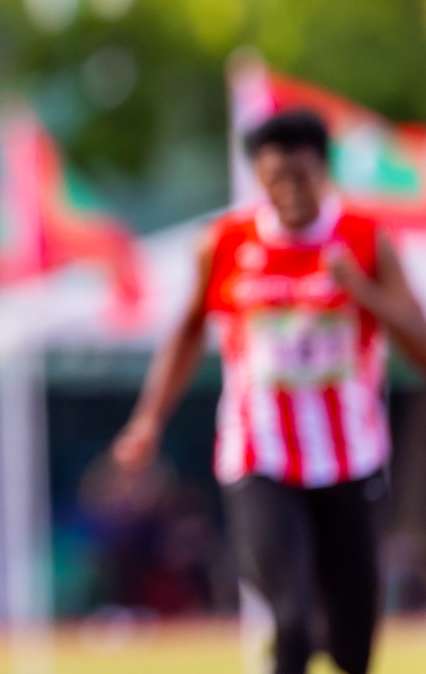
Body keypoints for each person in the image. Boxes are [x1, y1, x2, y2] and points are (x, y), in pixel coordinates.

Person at [113, 109, 426, 674]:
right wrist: (148, 421)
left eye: (301, 178)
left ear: (324, 173)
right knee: (293, 620)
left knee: (355, 643)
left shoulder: (363, 239)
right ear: (258, 177)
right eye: (274, 180)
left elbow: (420, 344)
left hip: (351, 457)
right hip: (261, 455)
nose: (289, 193)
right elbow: (187, 331)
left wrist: (360, 292)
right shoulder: (226, 243)